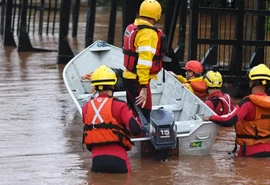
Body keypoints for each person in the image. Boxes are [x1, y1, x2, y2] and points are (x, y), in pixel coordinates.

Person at [82, 65, 143, 173]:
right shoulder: (120, 106)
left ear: (95, 86)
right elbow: (136, 130)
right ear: (113, 85)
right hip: (119, 160)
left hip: (97, 162)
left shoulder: (86, 108)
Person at [204, 64, 270, 157]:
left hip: (250, 152)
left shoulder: (247, 104)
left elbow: (229, 120)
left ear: (252, 82)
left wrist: (211, 117)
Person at [122, 0, 166, 122]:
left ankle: (134, 135)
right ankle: (143, 139)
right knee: (143, 115)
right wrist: (144, 88)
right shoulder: (148, 33)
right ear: (157, 14)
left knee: (134, 112)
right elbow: (144, 63)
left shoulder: (135, 26)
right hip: (139, 81)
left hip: (129, 76)